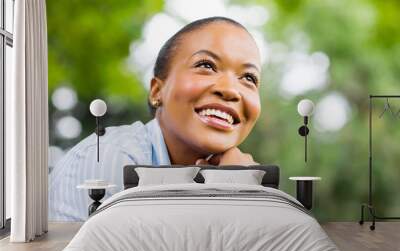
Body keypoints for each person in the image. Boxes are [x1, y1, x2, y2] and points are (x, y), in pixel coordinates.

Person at [49, 16, 262, 221]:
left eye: (249, 78)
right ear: (156, 91)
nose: (230, 90)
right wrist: (234, 196)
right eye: (206, 65)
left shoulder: (237, 168)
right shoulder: (109, 159)